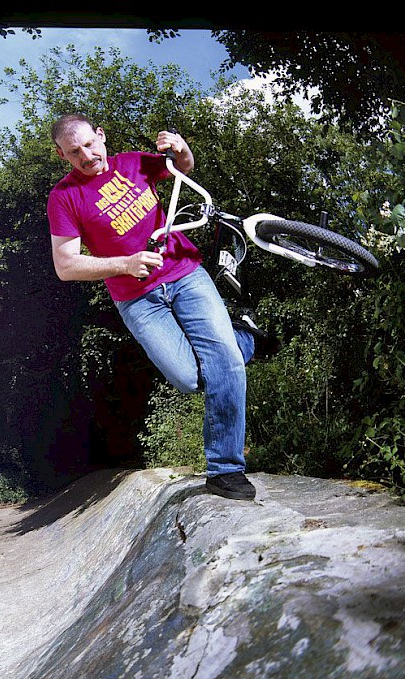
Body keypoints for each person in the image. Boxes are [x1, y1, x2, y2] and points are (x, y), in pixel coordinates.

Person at [47, 113, 269, 501]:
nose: (85, 155)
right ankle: (246, 340)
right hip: (137, 300)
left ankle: (225, 470)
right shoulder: (64, 197)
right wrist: (124, 263)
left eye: (89, 144)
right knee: (187, 377)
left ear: (101, 135)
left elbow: (183, 168)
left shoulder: (133, 162)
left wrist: (183, 148)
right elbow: (65, 266)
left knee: (225, 364)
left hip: (185, 273)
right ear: (62, 155)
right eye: (74, 152)